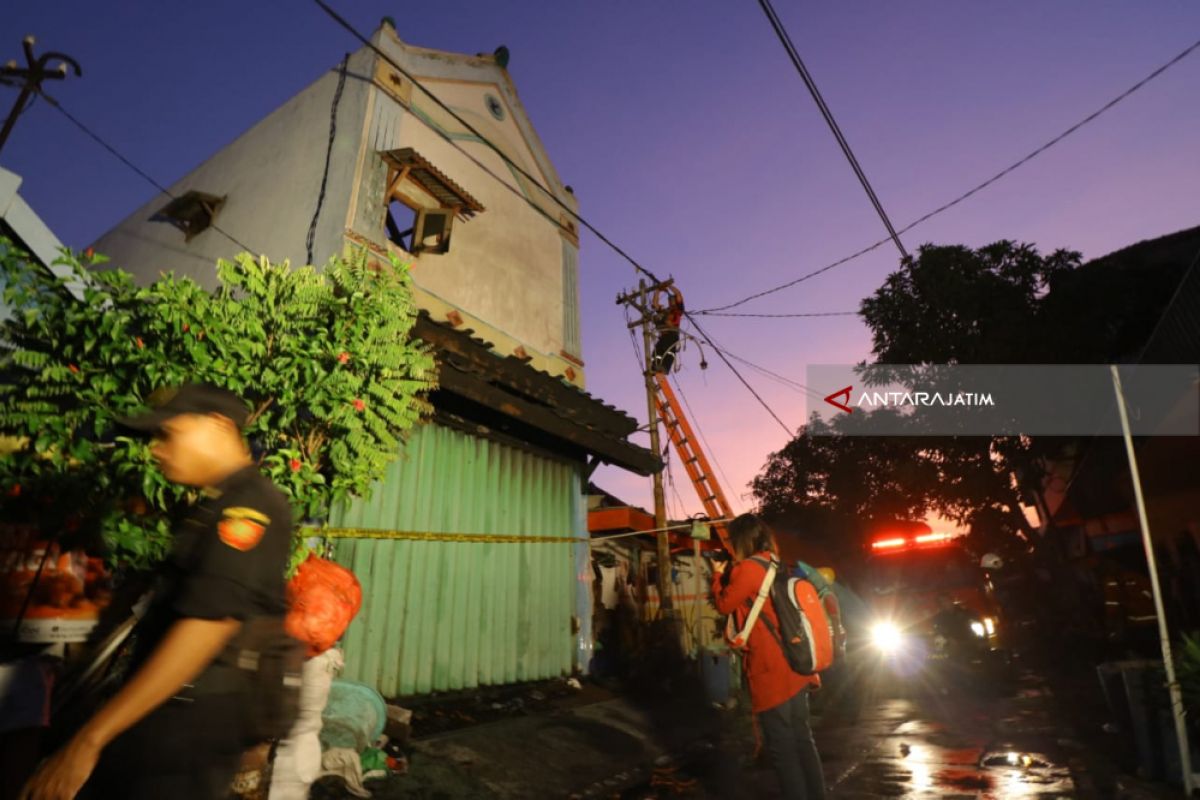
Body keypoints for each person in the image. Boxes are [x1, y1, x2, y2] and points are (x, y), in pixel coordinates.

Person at [21, 383, 294, 800]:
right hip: (165, 727)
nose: (157, 450)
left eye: (169, 434)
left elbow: (206, 626)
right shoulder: (213, 505)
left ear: (218, 426)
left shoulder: (249, 508)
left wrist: (88, 741)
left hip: (186, 738)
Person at [712, 514, 826, 800]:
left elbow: (725, 604)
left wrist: (716, 575)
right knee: (802, 739)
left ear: (741, 539)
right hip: (796, 663)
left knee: (782, 747)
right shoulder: (775, 562)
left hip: (771, 669)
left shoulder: (748, 568)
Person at [650, 284, 684, 374]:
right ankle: (655, 366)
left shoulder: (678, 309)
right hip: (663, 335)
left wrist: (668, 286)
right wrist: (658, 290)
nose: (671, 302)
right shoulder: (665, 311)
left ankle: (665, 367)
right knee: (657, 352)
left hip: (672, 334)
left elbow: (678, 294)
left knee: (669, 352)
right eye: (670, 300)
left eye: (672, 300)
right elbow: (655, 303)